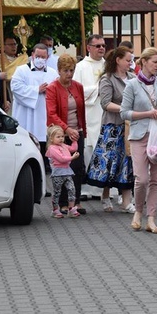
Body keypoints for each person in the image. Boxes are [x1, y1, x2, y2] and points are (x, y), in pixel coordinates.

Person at [120, 47, 157, 234]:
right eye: (155, 62)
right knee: (142, 179)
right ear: (144, 62)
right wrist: (148, 114)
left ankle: (151, 218)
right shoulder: (132, 85)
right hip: (139, 135)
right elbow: (124, 112)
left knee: (156, 180)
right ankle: (138, 212)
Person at [85, 46, 136, 213]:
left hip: (129, 126)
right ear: (118, 60)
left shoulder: (133, 78)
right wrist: (125, 110)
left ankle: (126, 200)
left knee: (127, 161)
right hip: (112, 127)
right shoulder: (107, 79)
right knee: (109, 162)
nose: (130, 63)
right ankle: (105, 194)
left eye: (131, 60)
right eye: (128, 60)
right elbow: (105, 103)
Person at [46, 54, 87, 214]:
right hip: (60, 135)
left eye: (71, 70)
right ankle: (62, 202)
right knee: (62, 168)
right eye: (66, 71)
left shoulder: (78, 86)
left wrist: (82, 130)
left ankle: (75, 201)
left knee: (77, 167)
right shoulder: (52, 88)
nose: (69, 74)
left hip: (77, 132)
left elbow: (81, 110)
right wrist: (66, 129)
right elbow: (52, 113)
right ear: (59, 70)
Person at [11, 44, 59, 166]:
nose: (40, 59)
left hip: (44, 115)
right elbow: (15, 88)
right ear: (32, 55)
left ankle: (45, 164)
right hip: (26, 116)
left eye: (43, 57)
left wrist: (50, 91)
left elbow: (58, 92)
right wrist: (36, 90)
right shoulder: (21, 70)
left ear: (47, 57)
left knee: (44, 141)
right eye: (37, 56)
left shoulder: (53, 73)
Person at [74, 34, 107, 199]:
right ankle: (88, 189)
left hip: (105, 114)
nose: (101, 48)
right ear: (88, 48)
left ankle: (104, 189)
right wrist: (97, 88)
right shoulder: (80, 67)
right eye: (98, 45)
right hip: (89, 114)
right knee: (89, 149)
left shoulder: (108, 65)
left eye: (103, 45)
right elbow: (76, 91)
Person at [46, 125, 81, 218]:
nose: (61, 139)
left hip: (67, 171)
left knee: (71, 189)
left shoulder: (63, 146)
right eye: (58, 137)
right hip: (58, 173)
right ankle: (55, 209)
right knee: (57, 192)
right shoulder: (52, 149)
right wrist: (72, 157)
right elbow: (61, 159)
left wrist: (74, 141)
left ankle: (71, 208)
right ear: (51, 138)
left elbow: (73, 149)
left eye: (62, 136)